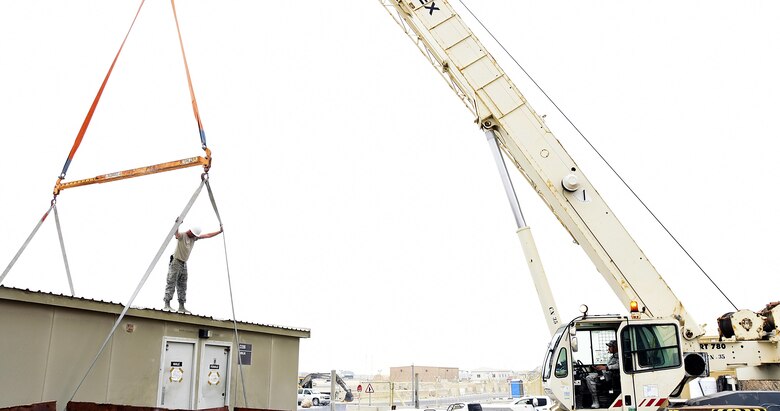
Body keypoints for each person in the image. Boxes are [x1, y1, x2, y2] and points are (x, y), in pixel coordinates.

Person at [163, 225, 223, 313]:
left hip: (183, 263)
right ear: (190, 231)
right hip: (176, 262)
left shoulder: (194, 238)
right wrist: (177, 224)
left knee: (182, 285)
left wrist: (219, 231)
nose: (193, 236)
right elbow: (176, 233)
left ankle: (181, 306)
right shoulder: (182, 235)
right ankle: (167, 304)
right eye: (193, 234)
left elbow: (207, 235)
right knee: (171, 282)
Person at [586, 340, 619, 408]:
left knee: (589, 378)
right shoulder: (612, 357)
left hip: (610, 376)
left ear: (615, 347)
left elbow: (619, 366)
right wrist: (600, 367)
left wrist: (605, 367)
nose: (608, 348)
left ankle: (596, 402)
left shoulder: (619, 356)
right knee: (589, 375)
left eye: (610, 346)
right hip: (606, 374)